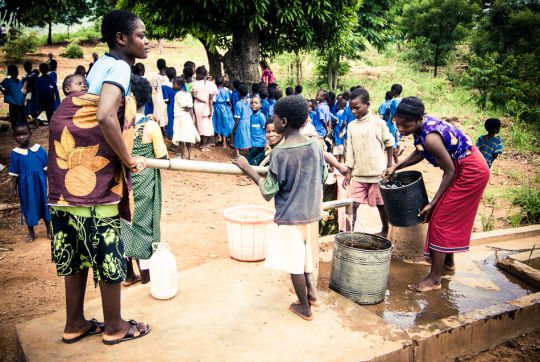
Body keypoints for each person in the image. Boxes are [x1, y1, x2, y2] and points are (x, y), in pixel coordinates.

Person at [47, 9, 150, 345]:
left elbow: (85, 112)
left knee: (75, 252)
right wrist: (129, 160)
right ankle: (115, 326)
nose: (146, 41)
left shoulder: (99, 65)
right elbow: (104, 116)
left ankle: (74, 323)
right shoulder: (119, 67)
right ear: (122, 39)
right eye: (141, 36)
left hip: (68, 179)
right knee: (107, 252)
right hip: (95, 180)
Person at [233, 95, 327, 321]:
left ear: (283, 122)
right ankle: (313, 294)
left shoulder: (280, 153)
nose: (272, 121)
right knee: (305, 256)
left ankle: (304, 307)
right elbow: (323, 174)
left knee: (294, 263)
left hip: (290, 216)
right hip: (311, 212)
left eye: (274, 117)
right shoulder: (315, 144)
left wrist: (248, 168)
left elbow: (268, 191)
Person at [383, 97, 490, 292]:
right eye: (397, 123)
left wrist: (432, 202)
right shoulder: (422, 129)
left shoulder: (431, 137)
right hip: (462, 169)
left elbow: (449, 171)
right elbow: (420, 151)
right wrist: (396, 166)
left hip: (470, 172)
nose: (401, 128)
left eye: (405, 125)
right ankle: (447, 263)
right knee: (442, 214)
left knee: (440, 218)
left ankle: (434, 279)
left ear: (418, 119)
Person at [122, 75, 167, 287]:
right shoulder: (149, 127)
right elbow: (162, 158)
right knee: (144, 227)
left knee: (123, 223)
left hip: (121, 181)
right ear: (145, 99)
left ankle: (128, 273)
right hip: (144, 181)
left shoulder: (119, 127)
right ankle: (147, 279)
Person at [342, 87, 394, 236]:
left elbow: (389, 143)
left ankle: (385, 231)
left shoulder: (378, 123)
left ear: (367, 104)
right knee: (352, 205)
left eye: (357, 108)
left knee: (381, 205)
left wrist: (390, 166)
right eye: (351, 108)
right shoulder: (351, 126)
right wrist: (349, 172)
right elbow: (350, 151)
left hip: (377, 174)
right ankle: (349, 233)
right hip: (358, 174)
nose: (353, 112)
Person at [9, 122, 51, 241]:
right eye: (18, 135)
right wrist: (13, 190)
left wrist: (52, 185)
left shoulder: (39, 150)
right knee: (28, 206)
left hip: (41, 184)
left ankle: (49, 229)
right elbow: (14, 174)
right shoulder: (15, 153)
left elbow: (47, 169)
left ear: (30, 134)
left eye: (24, 134)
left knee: (44, 205)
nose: (21, 137)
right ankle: (31, 232)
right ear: (14, 136)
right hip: (25, 187)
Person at [172, 77, 200, 159]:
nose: (173, 85)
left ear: (179, 85)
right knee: (188, 136)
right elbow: (190, 108)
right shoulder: (188, 94)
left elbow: (185, 106)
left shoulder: (178, 94)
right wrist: (192, 119)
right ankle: (190, 154)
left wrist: (187, 110)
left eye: (174, 84)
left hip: (180, 117)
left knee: (181, 137)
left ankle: (182, 156)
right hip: (187, 117)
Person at [192, 66, 217, 151]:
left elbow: (194, 95)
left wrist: (202, 101)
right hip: (206, 106)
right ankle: (204, 145)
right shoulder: (211, 84)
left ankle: (201, 143)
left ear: (199, 74)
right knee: (206, 125)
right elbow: (210, 99)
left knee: (199, 123)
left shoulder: (195, 83)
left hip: (197, 105)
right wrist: (210, 108)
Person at [213, 76, 234, 148]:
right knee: (224, 124)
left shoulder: (214, 90)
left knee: (216, 122)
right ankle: (224, 142)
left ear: (215, 82)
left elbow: (212, 100)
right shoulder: (225, 90)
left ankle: (216, 140)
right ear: (223, 83)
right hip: (223, 108)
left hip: (215, 108)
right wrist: (230, 106)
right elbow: (227, 100)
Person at [245, 96, 266, 165]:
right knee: (253, 160)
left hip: (259, 143)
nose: (253, 104)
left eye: (256, 103)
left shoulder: (261, 116)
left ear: (260, 105)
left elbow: (266, 129)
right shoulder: (251, 116)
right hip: (252, 142)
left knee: (249, 160)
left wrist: (267, 142)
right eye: (252, 103)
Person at [233, 83, 252, 156]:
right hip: (249, 121)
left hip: (242, 122)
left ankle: (237, 153)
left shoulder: (238, 104)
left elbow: (237, 117)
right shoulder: (250, 101)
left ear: (239, 93)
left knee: (238, 136)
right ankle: (248, 152)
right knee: (249, 135)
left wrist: (235, 126)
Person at [150, 58, 168, 128]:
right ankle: (166, 126)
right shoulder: (168, 75)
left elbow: (154, 87)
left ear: (157, 67)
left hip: (159, 95)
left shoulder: (155, 77)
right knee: (165, 111)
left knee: (158, 111)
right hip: (167, 95)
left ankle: (160, 127)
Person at [162, 67, 178, 139]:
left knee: (171, 120)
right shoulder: (179, 83)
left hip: (171, 106)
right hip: (179, 105)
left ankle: (171, 135)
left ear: (166, 75)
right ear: (175, 74)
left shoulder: (164, 85)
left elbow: (166, 100)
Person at [332, 98, 347, 163]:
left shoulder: (337, 114)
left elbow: (336, 122)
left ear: (339, 105)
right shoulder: (345, 112)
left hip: (338, 132)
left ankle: (337, 164)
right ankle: (342, 162)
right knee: (342, 149)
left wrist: (332, 127)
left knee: (336, 150)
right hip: (344, 132)